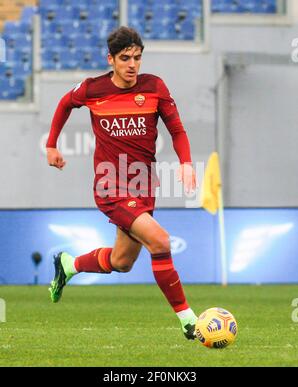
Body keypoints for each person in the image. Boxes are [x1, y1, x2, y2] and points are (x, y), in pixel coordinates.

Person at [46, 26, 197, 340]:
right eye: (125, 58)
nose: (132, 64)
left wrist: (185, 164)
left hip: (143, 186)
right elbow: (64, 104)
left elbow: (178, 131)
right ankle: (188, 321)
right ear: (110, 59)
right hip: (110, 187)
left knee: (122, 261)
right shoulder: (93, 89)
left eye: (137, 58)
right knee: (160, 241)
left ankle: (69, 264)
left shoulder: (154, 87)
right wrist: (51, 144)